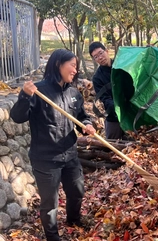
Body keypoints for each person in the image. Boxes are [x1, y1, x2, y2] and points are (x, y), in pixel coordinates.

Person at [10, 49, 96, 241]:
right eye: (72, 65)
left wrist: (88, 125)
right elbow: (17, 117)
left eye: (77, 66)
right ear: (58, 64)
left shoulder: (74, 93)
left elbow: (81, 116)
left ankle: (74, 220)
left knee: (77, 191)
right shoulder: (38, 91)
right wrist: (24, 95)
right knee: (50, 203)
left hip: (70, 154)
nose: (75, 70)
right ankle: (52, 236)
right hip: (46, 158)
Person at [89, 42, 125, 140]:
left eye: (101, 53)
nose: (100, 58)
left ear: (107, 51)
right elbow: (105, 99)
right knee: (112, 147)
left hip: (132, 113)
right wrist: (118, 108)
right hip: (113, 116)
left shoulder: (122, 66)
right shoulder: (97, 78)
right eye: (95, 57)